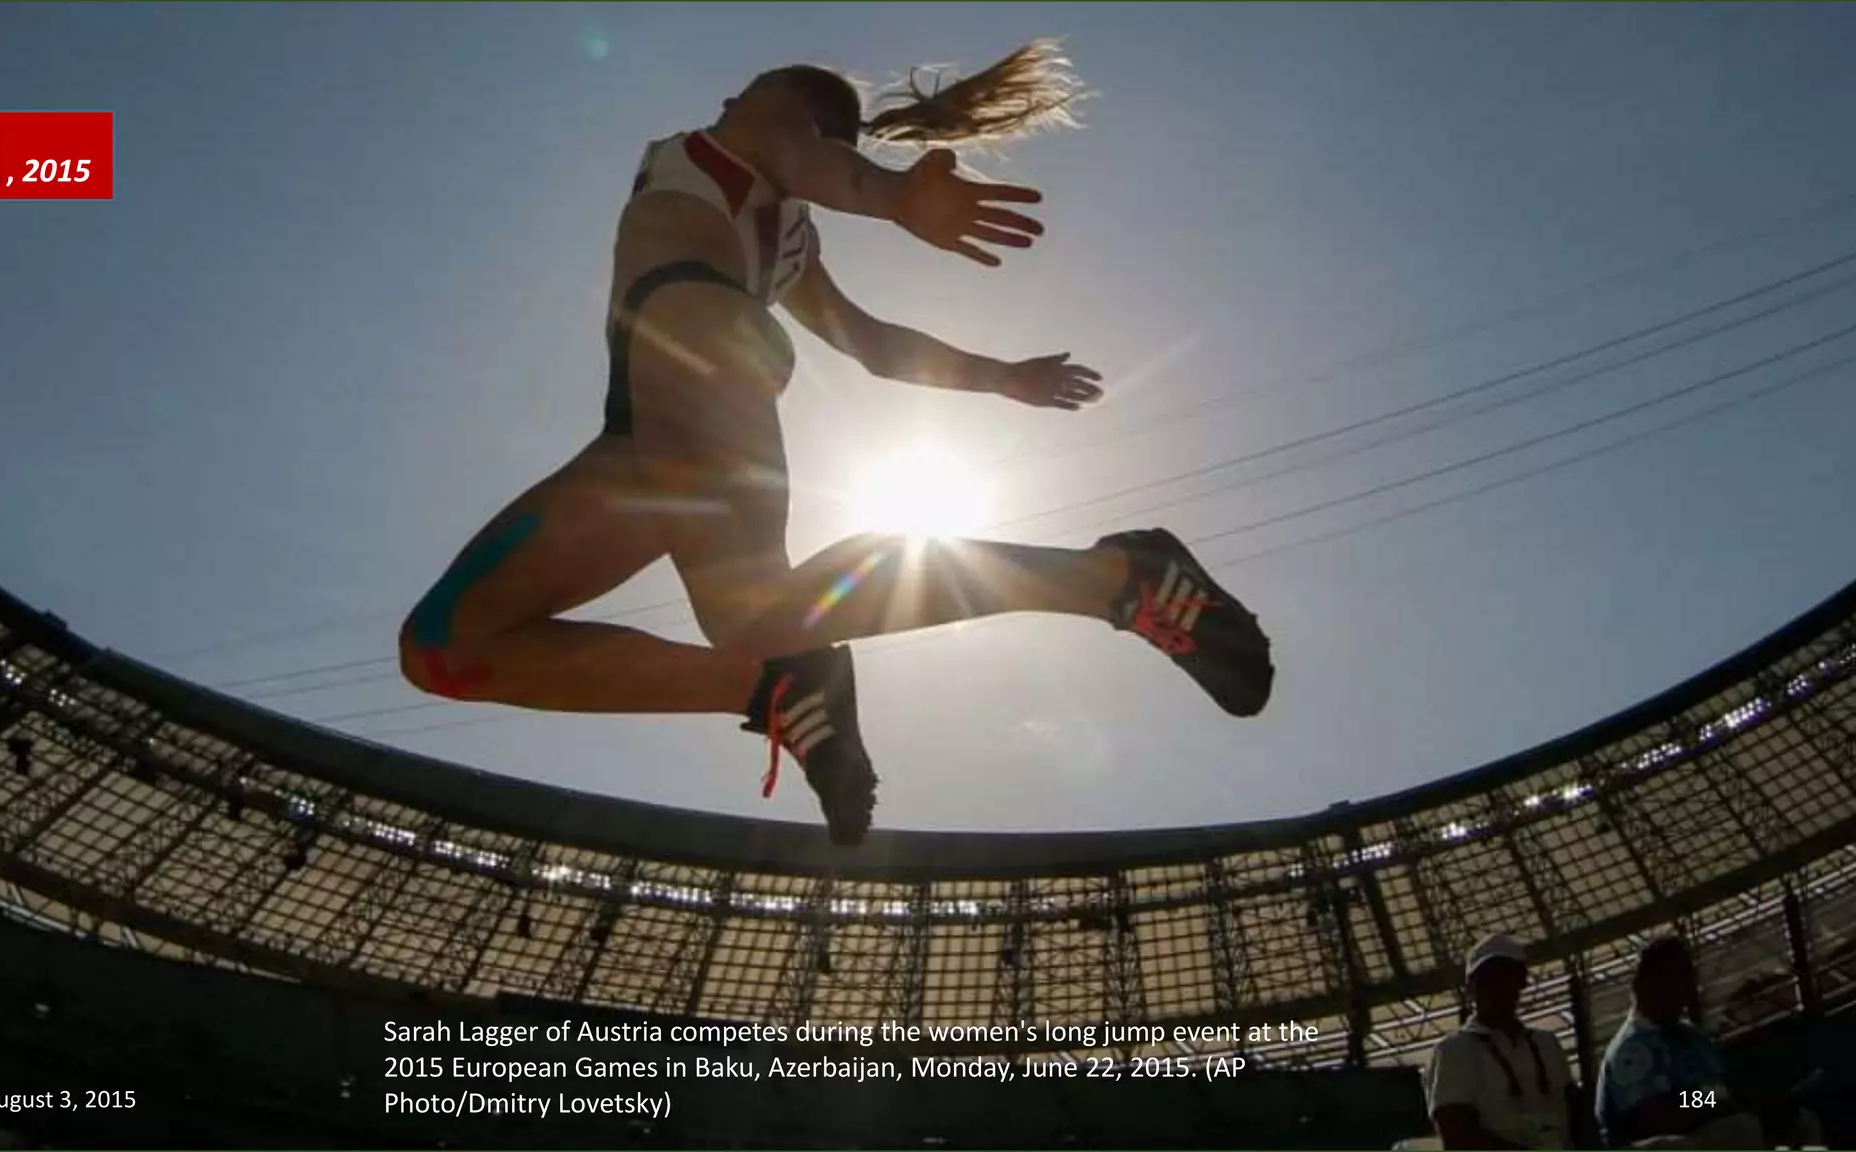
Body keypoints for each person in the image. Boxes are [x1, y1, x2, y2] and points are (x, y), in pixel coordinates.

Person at [396, 41, 1275, 846]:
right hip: (644, 422)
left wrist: (893, 198)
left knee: (750, 614)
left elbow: (813, 160)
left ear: (775, 98)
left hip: (699, 345)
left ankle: (1125, 579)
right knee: (444, 645)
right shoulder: (789, 240)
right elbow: (873, 344)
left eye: (756, 94)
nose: (735, 94)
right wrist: (1001, 376)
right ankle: (775, 687)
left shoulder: (757, 126)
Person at [1596, 936, 1822, 1150]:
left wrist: (1756, 1100)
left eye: (1685, 976)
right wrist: (1715, 1102)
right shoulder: (1632, 1049)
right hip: (1664, 1143)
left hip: (1708, 1130)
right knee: (1740, 1129)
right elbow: (1659, 1113)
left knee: (1802, 1121)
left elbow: (1721, 1088)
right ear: (1640, 985)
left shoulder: (1693, 1037)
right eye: (1666, 977)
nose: (1679, 986)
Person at [1423, 933, 1576, 1149]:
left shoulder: (1546, 1043)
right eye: (1486, 979)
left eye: (1504, 975)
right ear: (1470, 989)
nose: (1496, 987)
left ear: (1521, 981)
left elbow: (1576, 1111)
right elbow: (1457, 1136)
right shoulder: (1453, 1051)